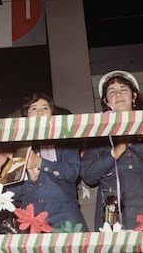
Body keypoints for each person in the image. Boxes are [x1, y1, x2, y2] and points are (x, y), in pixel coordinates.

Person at [81, 70, 143, 231]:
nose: (118, 94)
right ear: (105, 100)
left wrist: (133, 143)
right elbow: (88, 175)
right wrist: (115, 152)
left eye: (123, 89)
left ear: (134, 96)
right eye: (112, 91)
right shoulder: (98, 133)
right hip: (113, 213)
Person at [8, 93, 88, 231]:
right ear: (26, 116)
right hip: (32, 219)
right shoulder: (20, 148)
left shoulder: (66, 142)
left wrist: (40, 163)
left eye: (45, 108)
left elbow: (72, 173)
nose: (39, 111)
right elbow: (12, 191)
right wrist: (31, 180)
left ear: (52, 114)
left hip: (65, 216)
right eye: (33, 108)